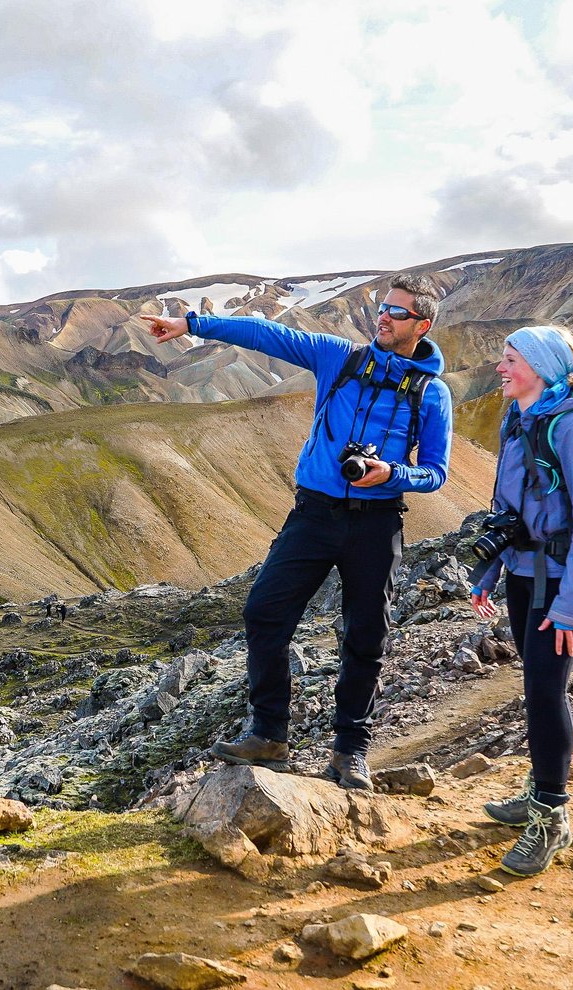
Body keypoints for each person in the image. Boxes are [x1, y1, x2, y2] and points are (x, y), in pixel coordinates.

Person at [141, 273, 453, 789]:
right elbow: (269, 336)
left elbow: (436, 471)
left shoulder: (431, 393)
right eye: (382, 306)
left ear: (422, 324)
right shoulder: (341, 358)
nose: (383, 316)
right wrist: (191, 324)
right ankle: (269, 736)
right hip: (313, 514)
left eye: (396, 312)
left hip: (377, 523)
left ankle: (350, 752)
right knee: (263, 612)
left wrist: (393, 474)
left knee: (364, 636)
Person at [469, 325, 573, 877]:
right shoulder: (522, 422)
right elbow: (507, 513)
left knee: (545, 692)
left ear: (540, 365)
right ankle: (537, 794)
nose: (500, 369)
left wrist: (572, 604)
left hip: (558, 583)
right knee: (534, 683)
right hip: (523, 574)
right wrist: (489, 571)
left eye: (510, 359)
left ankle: (551, 818)